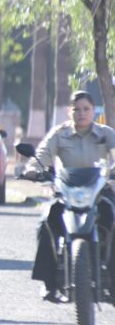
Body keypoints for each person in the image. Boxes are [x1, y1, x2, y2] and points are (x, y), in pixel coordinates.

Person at [23, 90, 115, 302]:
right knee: (46, 221)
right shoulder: (59, 134)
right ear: (69, 111)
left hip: (99, 193)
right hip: (66, 194)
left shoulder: (105, 133)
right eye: (77, 109)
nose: (81, 113)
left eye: (86, 109)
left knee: (113, 218)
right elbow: (41, 156)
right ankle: (49, 283)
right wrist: (32, 170)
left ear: (93, 111)